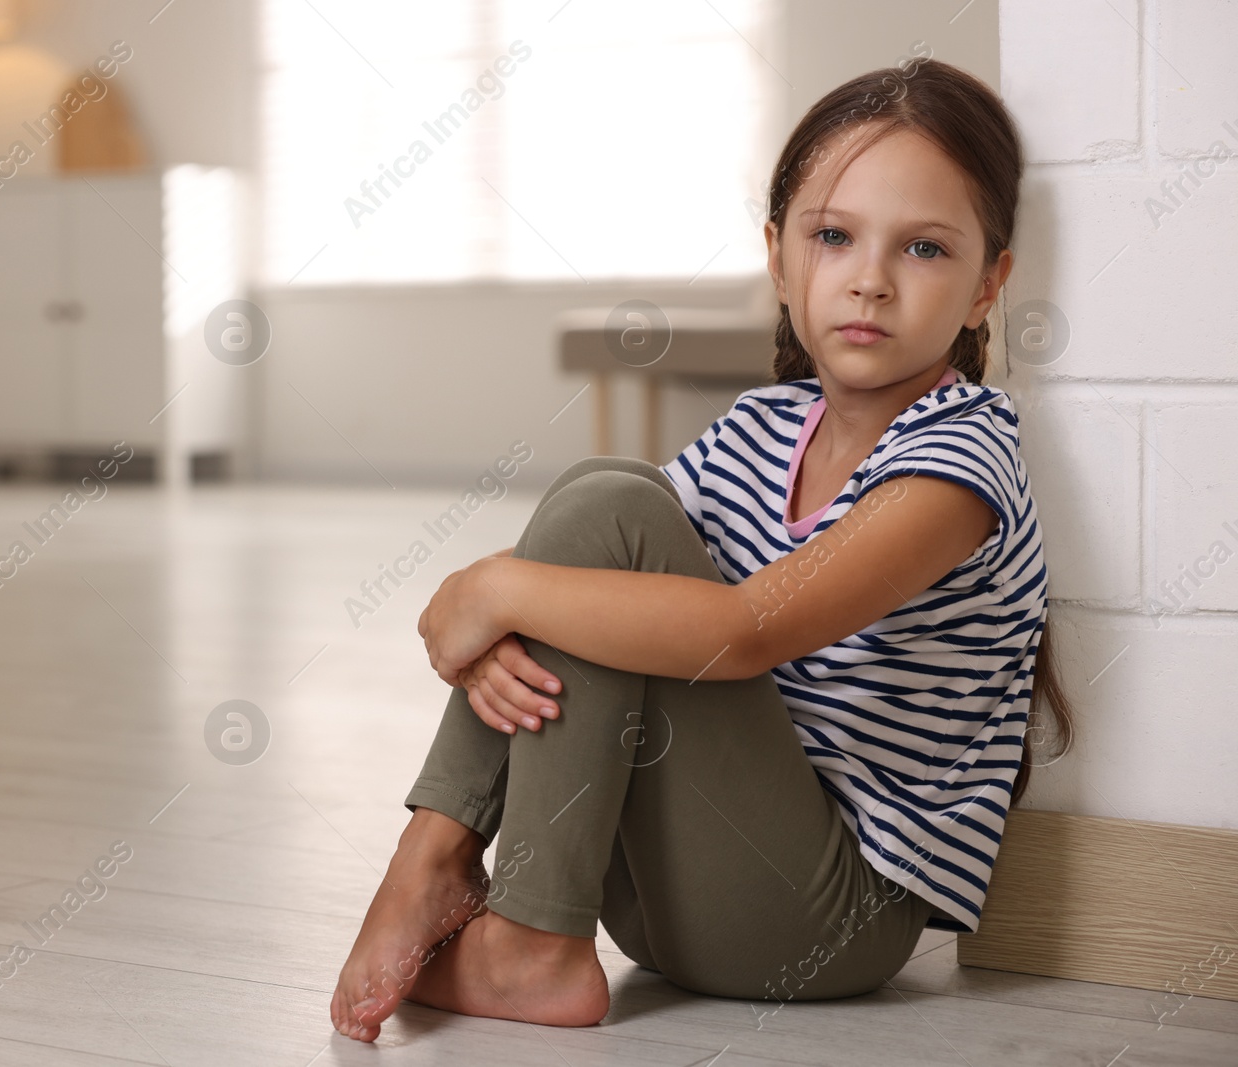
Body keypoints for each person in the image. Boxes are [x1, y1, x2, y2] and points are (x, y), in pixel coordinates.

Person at [330, 57, 1075, 1043]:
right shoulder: (764, 423)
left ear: (989, 284)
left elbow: (743, 632)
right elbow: (599, 552)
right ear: (778, 258)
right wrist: (508, 600)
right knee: (603, 497)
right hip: (667, 891)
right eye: (833, 235)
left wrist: (495, 587)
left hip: (826, 918)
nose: (869, 278)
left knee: (594, 526)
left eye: (925, 248)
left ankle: (497, 912)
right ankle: (458, 870)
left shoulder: (958, 455)